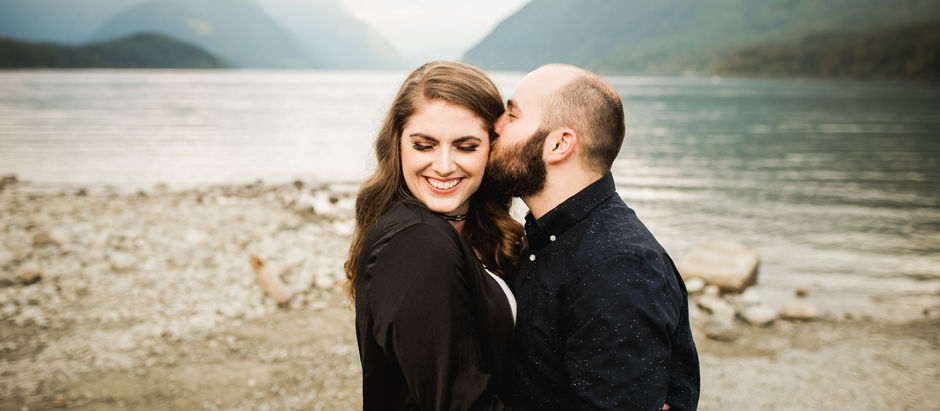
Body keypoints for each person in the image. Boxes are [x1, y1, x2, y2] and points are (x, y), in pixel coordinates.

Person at [486, 64, 701, 410]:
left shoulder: (618, 268)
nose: (495, 125)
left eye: (512, 114)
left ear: (558, 143)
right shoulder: (546, 240)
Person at [344, 61, 525, 410]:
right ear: (397, 145)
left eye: (466, 146)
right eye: (424, 146)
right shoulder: (418, 244)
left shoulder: (471, 229)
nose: (443, 165)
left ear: (493, 147)